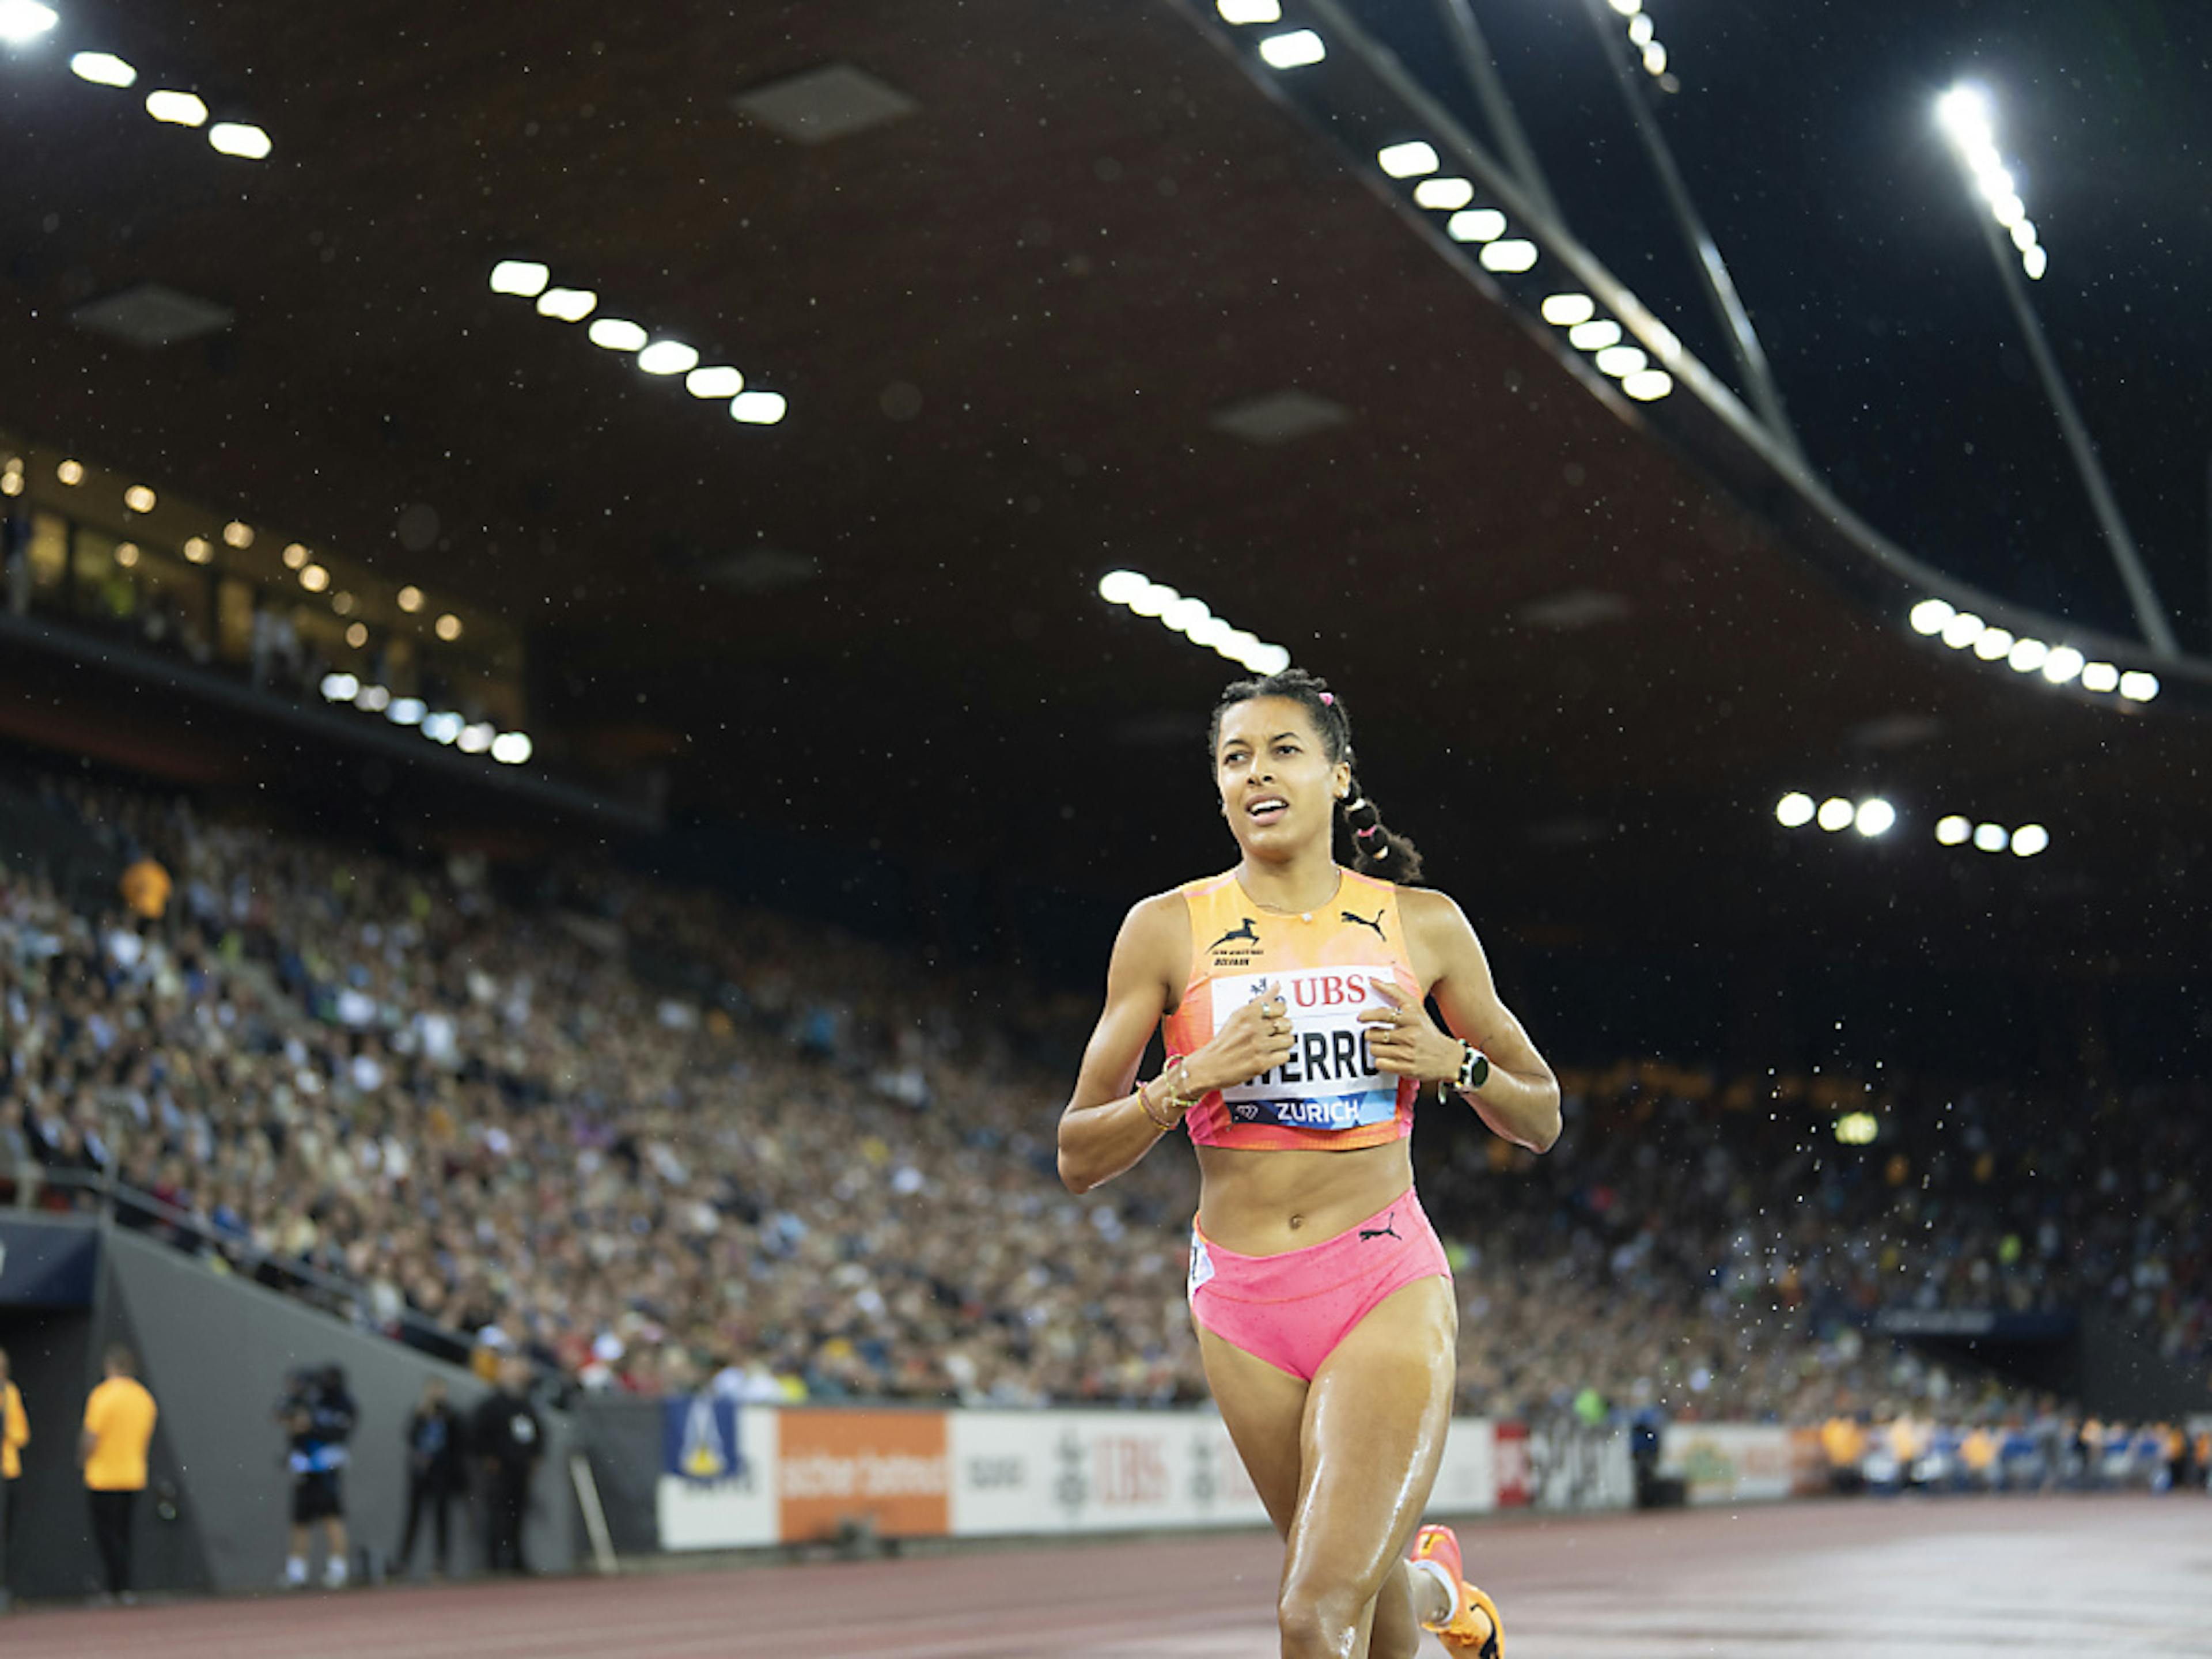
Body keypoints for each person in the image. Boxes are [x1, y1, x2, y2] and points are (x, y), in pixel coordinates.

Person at [1057, 669, 1560, 1659]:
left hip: (1381, 1279)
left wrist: (1451, 1062)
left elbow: (1539, 1115)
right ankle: (1442, 1596)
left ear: (1337, 776)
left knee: (1309, 1614)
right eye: (1234, 759)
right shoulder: (1165, 927)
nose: (1257, 775)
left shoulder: (1422, 924)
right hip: (1239, 1303)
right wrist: (1187, 1079)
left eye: (1283, 751)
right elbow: (1078, 1152)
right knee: (1364, 1604)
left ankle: (1426, 1591)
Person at [81, 1343, 158, 1603]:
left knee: (107, 1535)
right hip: (133, 1474)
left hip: (103, 1476)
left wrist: (82, 1458)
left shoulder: (102, 1396)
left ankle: (115, 1587)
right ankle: (125, 1587)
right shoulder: (144, 1398)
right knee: (125, 1532)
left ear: (111, 1367)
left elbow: (91, 1436)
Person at [278, 1363, 358, 1589]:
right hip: (305, 1469)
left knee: (332, 1519)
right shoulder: (309, 1400)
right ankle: (296, 1572)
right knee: (300, 1521)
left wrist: (310, 1427)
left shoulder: (343, 1404)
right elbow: (284, 1417)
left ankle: (338, 1570)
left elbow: (338, 1432)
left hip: (327, 1469)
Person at [472, 1357, 543, 1574]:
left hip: (521, 1471)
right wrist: (489, 1458)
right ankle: (494, 1563)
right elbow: (478, 1435)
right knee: (498, 1516)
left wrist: (535, 1457)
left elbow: (538, 1435)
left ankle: (517, 1561)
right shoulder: (491, 1405)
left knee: (519, 1516)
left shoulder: (526, 1404)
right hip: (500, 1471)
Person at [397, 1376, 465, 1579]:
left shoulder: (451, 1414)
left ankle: (440, 1563)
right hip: (420, 1473)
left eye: (440, 1389)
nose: (436, 1394)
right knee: (413, 1518)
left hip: (442, 1473)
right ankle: (403, 1561)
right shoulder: (420, 1412)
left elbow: (459, 1441)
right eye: (433, 1389)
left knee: (441, 1518)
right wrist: (422, 1416)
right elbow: (410, 1437)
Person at [2, 1344, 26, 1592]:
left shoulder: (10, 1393)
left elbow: (20, 1434)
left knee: (6, 1532)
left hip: (8, 1471)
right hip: (9, 1470)